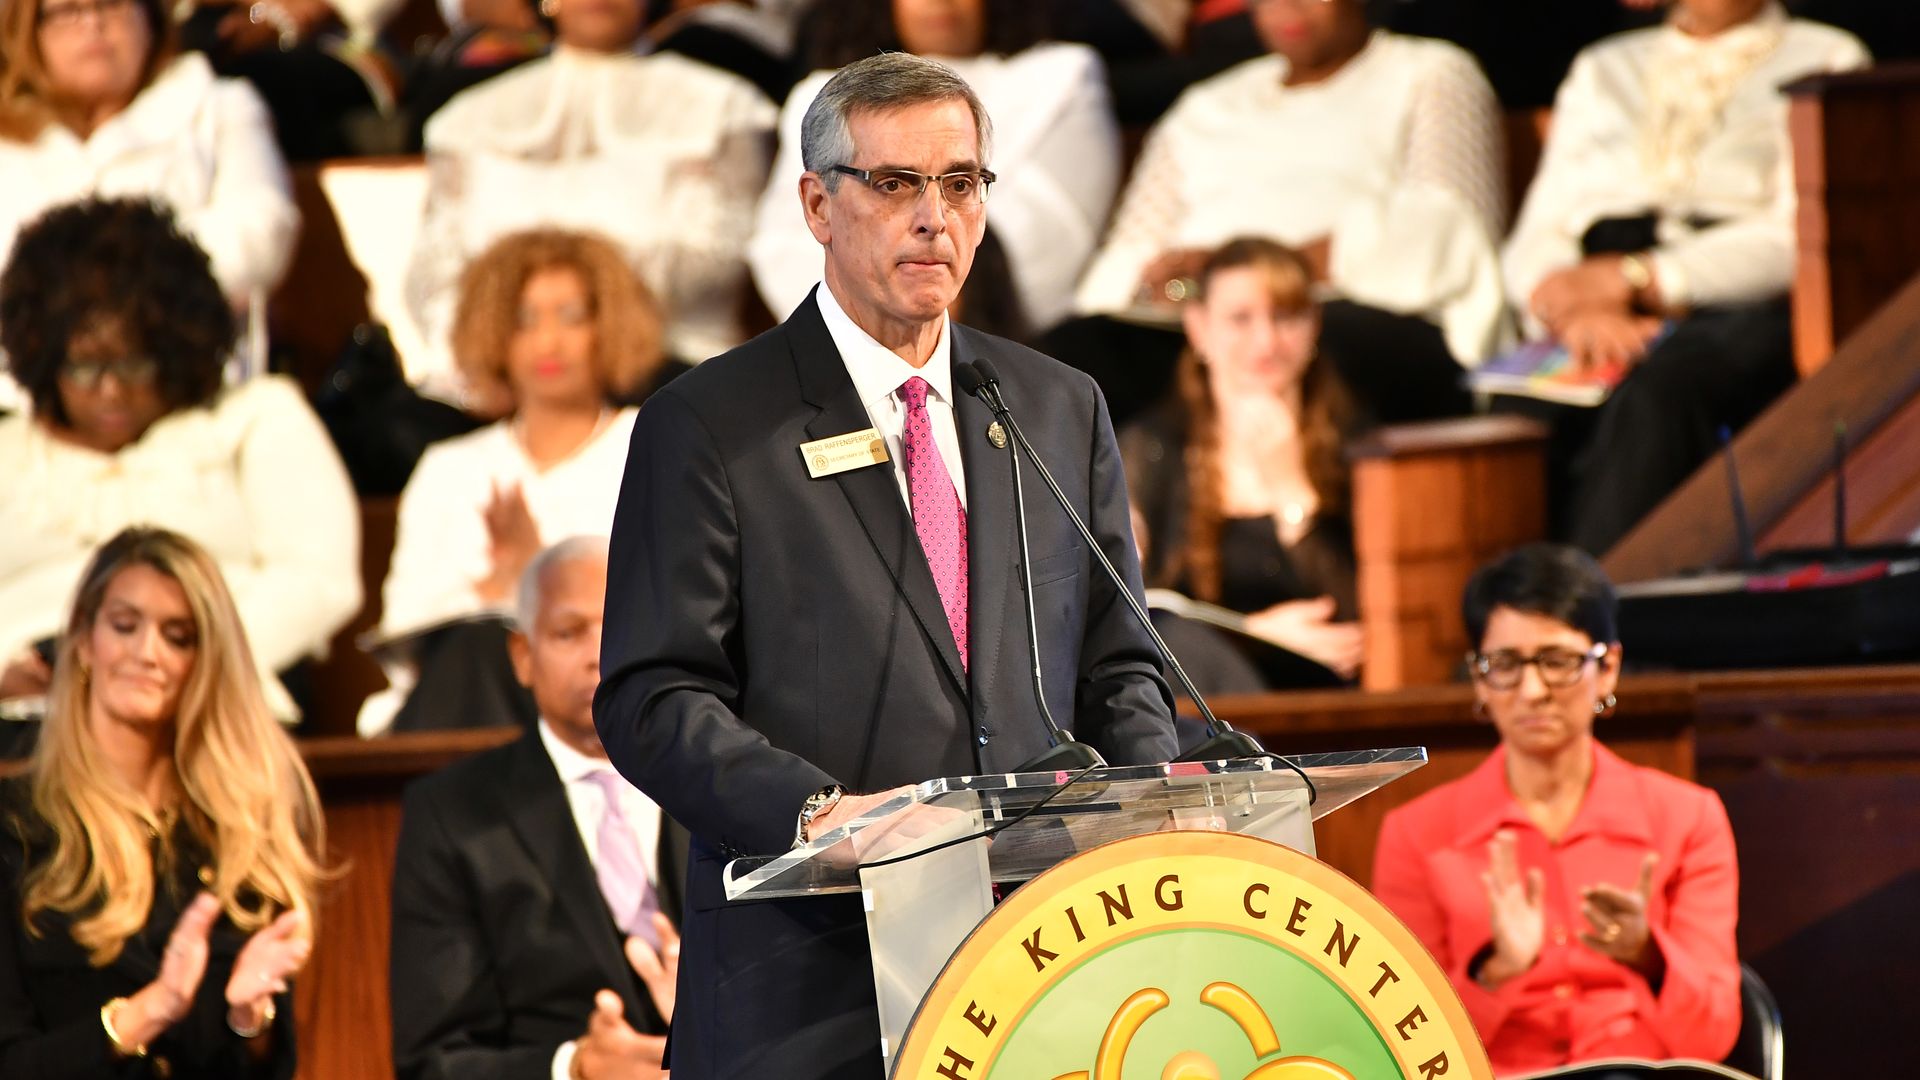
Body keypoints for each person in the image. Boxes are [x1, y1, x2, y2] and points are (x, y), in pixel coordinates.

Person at [594, 52, 1178, 1078]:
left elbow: (1121, 662)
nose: (933, 216)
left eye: (960, 183)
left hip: (1045, 971)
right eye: (896, 183)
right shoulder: (712, 423)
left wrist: (1145, 817)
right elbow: (653, 696)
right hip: (815, 985)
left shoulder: (1052, 405)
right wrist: (816, 816)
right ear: (818, 204)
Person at [1498, 0, 1870, 555]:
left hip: (1734, 302)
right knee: (1516, 414)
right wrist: (1575, 306)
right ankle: (1504, 627)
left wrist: (1644, 279)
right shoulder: (1602, 67)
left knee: (1661, 399)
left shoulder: (1828, 55)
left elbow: (1804, 236)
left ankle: (1599, 616)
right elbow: (1538, 231)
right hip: (1591, 307)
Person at [1372, 543, 1741, 1076]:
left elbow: (1713, 1035)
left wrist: (1648, 956)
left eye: (1557, 661)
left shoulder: (1689, 819)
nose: (1532, 690)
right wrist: (1497, 971)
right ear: (1479, 678)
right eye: (1505, 664)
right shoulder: (1416, 835)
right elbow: (1404, 1047)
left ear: (1607, 668)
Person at [0, 199, 359, 724]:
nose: (111, 390)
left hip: (211, 710)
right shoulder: (11, 452)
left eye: (135, 363)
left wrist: (169, 666)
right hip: (26, 720)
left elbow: (321, 580)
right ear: (45, 358)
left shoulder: (251, 418)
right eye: (84, 367)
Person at [1065, 0, 1506, 427]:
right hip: (1196, 325)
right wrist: (1161, 281)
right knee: (1070, 359)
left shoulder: (1430, 73)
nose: (1285, 6)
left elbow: (1451, 229)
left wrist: (1258, 272)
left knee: (1301, 356)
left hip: (1346, 313)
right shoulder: (1204, 107)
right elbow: (1126, 255)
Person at [0, 526, 328, 1078]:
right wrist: (151, 1010)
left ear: (205, 662)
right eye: (125, 626)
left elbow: (264, 1068)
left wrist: (250, 1021)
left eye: (178, 636)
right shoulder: (15, 826)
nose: (147, 653)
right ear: (83, 639)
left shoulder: (238, 831)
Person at [390, 537, 686, 1080]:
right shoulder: (451, 814)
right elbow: (432, 1062)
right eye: (569, 632)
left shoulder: (713, 776)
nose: (601, 653)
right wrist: (574, 1068)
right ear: (523, 657)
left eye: (619, 623)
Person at [363, 228, 667, 736]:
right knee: (476, 654)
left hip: (610, 704)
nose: (548, 341)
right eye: (525, 321)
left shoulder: (656, 443)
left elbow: (671, 608)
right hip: (456, 702)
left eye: (571, 317)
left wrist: (533, 582)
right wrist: (502, 594)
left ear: (607, 326)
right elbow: (405, 626)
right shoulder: (449, 467)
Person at [404, 0, 776, 385]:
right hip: (498, 378)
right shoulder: (468, 117)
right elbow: (434, 273)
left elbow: (717, 262)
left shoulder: (724, 106)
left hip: (669, 370)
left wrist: (590, 326)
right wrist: (492, 361)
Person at [754, 0, 1120, 340]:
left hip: (1008, 337)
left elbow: (1056, 235)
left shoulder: (1062, 78)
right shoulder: (822, 95)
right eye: (892, 184)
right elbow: (785, 246)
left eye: (960, 184)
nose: (940, 2)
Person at [0, 0, 298, 407]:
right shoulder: (8, 139)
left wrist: (106, 292)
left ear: (151, 18)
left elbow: (263, 232)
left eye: (112, 5)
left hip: (184, 389)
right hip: (21, 403)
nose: (93, 25)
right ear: (29, 31)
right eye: (68, 10)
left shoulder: (215, 105)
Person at [1121, 237, 1362, 687]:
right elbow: (1130, 609)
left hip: (1328, 693)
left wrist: (1289, 484)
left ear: (1314, 325)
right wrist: (1254, 635)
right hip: (1203, 698)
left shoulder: (1355, 445)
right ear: (1198, 327)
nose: (1266, 341)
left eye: (1286, 317)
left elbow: (1364, 617)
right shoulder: (1153, 449)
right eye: (1240, 319)